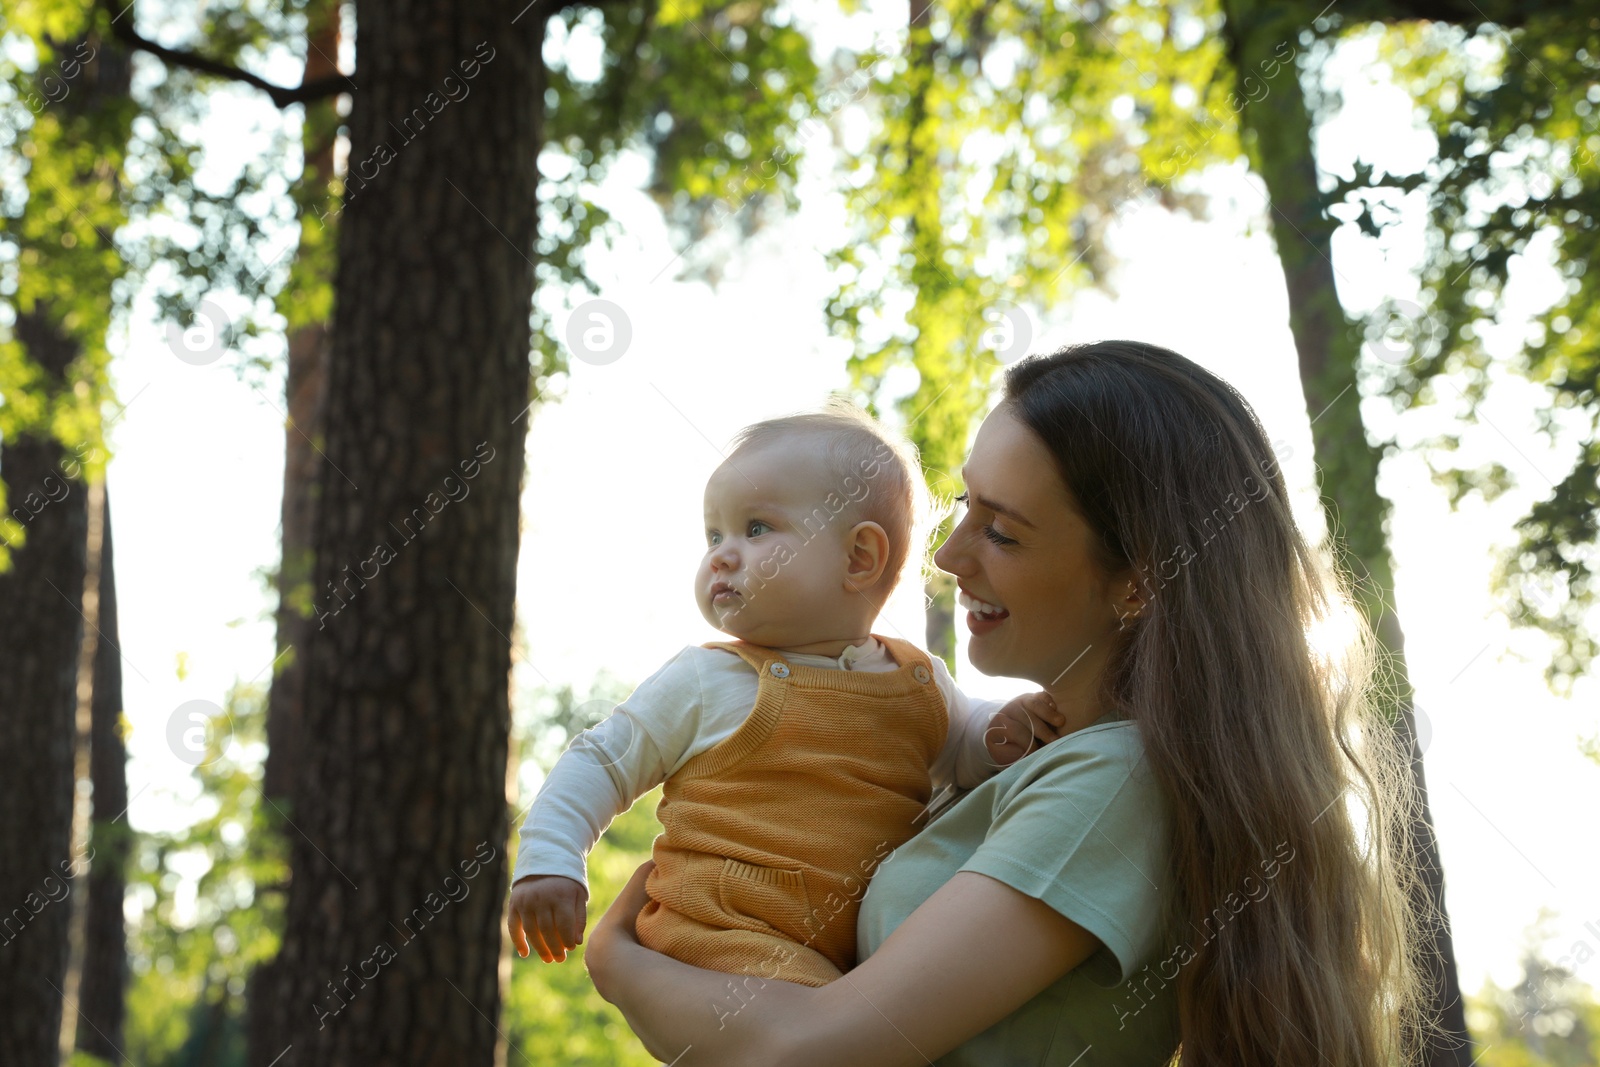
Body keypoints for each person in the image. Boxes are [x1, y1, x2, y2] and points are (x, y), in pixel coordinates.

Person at [581, 341, 1428, 1067]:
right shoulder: (1036, 761)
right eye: (962, 506)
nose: (948, 555)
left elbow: (812, 1050)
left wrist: (618, 962)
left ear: (1138, 581)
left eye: (1003, 531)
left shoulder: (1115, 784)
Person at [507, 398, 1061, 987]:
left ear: (859, 557)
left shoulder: (917, 681)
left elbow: (965, 745)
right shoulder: (708, 679)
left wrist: (1006, 731)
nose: (720, 553)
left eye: (755, 528)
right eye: (713, 534)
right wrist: (550, 862)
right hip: (719, 929)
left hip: (843, 951)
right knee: (840, 1033)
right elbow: (599, 761)